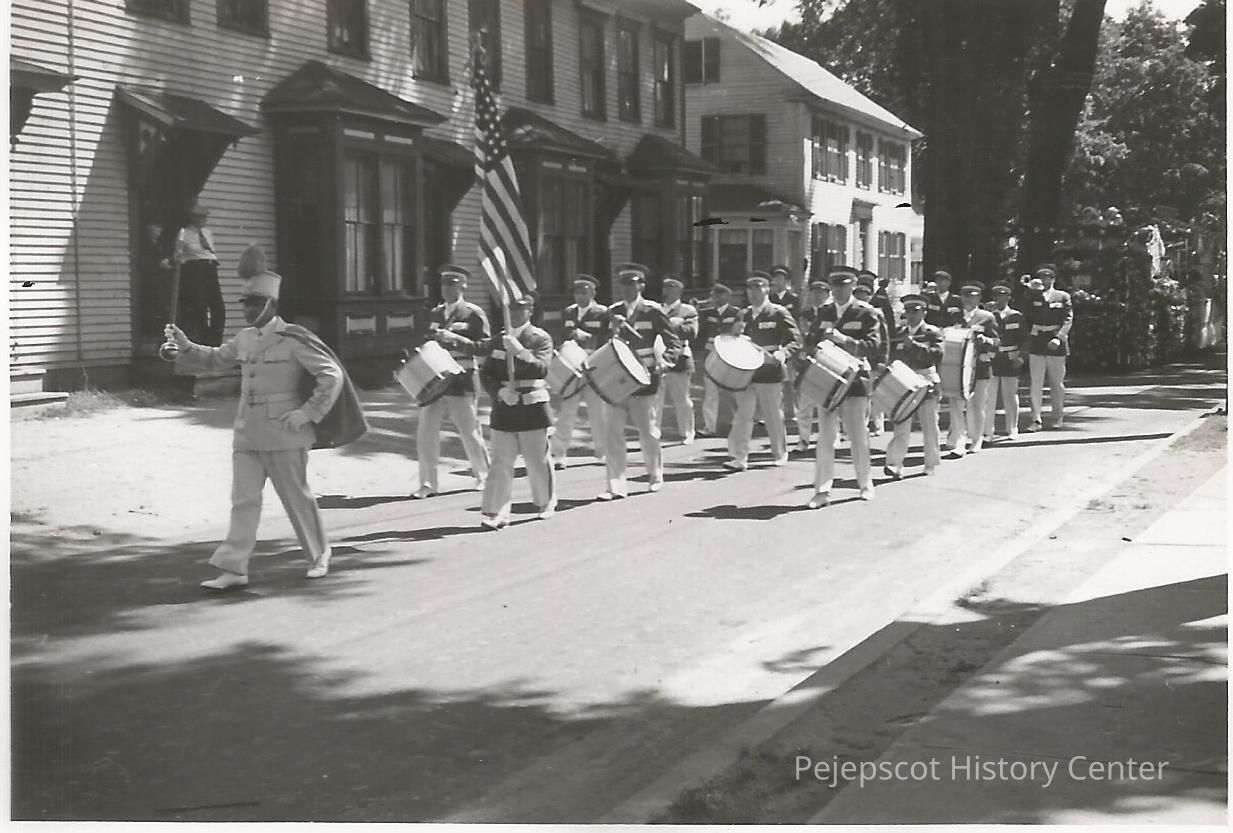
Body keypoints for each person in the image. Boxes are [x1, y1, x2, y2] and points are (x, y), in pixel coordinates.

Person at [163, 244, 342, 590]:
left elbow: (331, 375)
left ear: (271, 304)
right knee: (243, 501)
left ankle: (318, 554)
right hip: (248, 432)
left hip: (285, 430)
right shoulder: (244, 339)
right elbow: (214, 359)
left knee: (296, 498)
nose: (248, 310)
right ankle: (234, 568)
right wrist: (184, 345)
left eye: (255, 303)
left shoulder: (293, 338)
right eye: (245, 303)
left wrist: (307, 413)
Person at [466, 295, 556, 529]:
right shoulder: (499, 339)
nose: (515, 313)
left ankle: (545, 502)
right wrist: (499, 391)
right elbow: (486, 373)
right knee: (500, 462)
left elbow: (542, 369)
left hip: (532, 406)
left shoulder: (540, 338)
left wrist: (521, 352)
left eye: (520, 309)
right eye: (511, 308)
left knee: (536, 460)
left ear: (530, 311)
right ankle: (497, 512)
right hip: (505, 405)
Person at [599, 263, 682, 500]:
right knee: (612, 433)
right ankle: (615, 486)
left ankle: (655, 475)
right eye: (623, 284)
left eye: (632, 284)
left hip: (645, 378)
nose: (626, 289)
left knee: (648, 431)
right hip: (616, 379)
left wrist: (666, 361)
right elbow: (602, 344)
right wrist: (612, 330)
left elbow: (673, 341)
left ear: (641, 286)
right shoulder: (612, 311)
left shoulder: (652, 310)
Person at [410, 265, 491, 498]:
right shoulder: (436, 313)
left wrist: (455, 339)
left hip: (461, 378)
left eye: (452, 285)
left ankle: (483, 475)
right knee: (426, 432)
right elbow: (426, 339)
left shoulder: (472, 313)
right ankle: (428, 483)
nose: (446, 289)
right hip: (435, 378)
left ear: (463, 286)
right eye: (444, 285)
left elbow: (484, 346)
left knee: (469, 430)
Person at [807, 266, 882, 508]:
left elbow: (874, 345)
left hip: (855, 380)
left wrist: (845, 340)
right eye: (835, 286)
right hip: (826, 378)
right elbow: (810, 341)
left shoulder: (866, 313)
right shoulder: (824, 312)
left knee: (858, 435)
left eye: (844, 286)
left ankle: (865, 484)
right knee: (825, 438)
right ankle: (822, 491)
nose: (839, 291)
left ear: (853, 286)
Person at [725, 272, 801, 470]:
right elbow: (733, 341)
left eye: (758, 288)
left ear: (767, 290)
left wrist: (783, 353)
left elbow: (795, 340)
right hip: (746, 371)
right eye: (750, 289)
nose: (753, 293)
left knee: (772, 414)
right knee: (743, 415)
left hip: (769, 371)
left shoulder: (778, 312)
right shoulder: (743, 314)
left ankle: (779, 453)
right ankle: (739, 457)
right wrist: (734, 335)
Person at [548, 274, 609, 469]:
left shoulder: (602, 312)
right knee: (567, 411)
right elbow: (562, 334)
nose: (580, 296)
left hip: (594, 366)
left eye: (584, 292)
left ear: (593, 293)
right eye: (577, 292)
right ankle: (559, 453)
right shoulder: (569, 311)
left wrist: (589, 336)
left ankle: (603, 451)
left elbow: (607, 339)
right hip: (572, 367)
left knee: (597, 411)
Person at [883, 294, 943, 479]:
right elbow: (892, 355)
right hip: (904, 380)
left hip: (926, 379)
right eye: (908, 311)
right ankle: (895, 464)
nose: (911, 315)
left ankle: (930, 463)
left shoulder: (932, 332)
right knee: (901, 423)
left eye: (915, 312)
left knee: (929, 425)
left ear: (924, 312)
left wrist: (914, 345)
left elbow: (937, 355)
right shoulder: (899, 332)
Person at [945, 281, 1000, 457]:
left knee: (977, 405)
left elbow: (997, 342)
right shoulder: (953, 316)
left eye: (973, 297)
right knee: (956, 404)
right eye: (965, 296)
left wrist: (986, 340)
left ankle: (976, 439)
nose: (968, 300)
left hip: (980, 366)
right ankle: (959, 441)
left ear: (979, 298)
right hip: (957, 368)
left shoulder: (987, 317)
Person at [1024, 263, 1073, 431]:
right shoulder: (1033, 296)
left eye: (1047, 278)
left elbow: (1068, 319)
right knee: (1036, 383)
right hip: (1037, 341)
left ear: (1053, 279)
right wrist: (1031, 293)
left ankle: (1058, 417)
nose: (1043, 281)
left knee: (1056, 383)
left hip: (1055, 342)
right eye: (1041, 278)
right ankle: (1036, 419)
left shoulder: (1062, 296)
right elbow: (1025, 314)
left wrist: (1059, 338)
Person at [175, 203, 226, 346]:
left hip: (211, 268)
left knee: (219, 307)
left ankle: (215, 342)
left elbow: (210, 251)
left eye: (205, 217)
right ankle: (206, 341)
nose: (204, 220)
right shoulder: (183, 233)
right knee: (200, 307)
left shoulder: (207, 233)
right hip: (195, 270)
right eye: (201, 217)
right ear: (193, 218)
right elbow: (178, 254)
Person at [656, 277, 699, 444]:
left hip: (680, 357)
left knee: (682, 398)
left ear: (679, 291)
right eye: (665, 288)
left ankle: (687, 432)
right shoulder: (656, 309)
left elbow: (692, 332)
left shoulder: (687, 310)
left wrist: (672, 325)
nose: (667, 291)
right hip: (658, 356)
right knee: (656, 399)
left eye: (672, 288)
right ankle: (654, 432)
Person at [696, 283, 742, 437]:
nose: (714, 298)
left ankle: (735, 424)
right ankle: (710, 426)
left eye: (717, 295)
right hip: (711, 355)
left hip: (730, 357)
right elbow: (701, 334)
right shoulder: (707, 313)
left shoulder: (736, 313)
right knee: (710, 393)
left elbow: (738, 334)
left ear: (726, 296)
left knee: (731, 393)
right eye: (713, 295)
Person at [984, 281, 1027, 441]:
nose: (998, 299)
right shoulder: (988, 316)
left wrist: (1021, 357)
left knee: (1010, 396)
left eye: (1002, 296)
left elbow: (1024, 339)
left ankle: (1012, 428)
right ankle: (987, 431)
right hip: (993, 358)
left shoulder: (1016, 316)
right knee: (989, 397)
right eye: (996, 295)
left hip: (1010, 358)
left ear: (1008, 298)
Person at [794, 277, 831, 452]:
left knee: (827, 404)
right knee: (805, 404)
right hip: (808, 360)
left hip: (827, 360)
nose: (817, 296)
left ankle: (830, 438)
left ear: (827, 295)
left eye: (821, 293)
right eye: (815, 293)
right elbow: (801, 336)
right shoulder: (806, 313)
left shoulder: (831, 313)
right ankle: (803, 439)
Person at [855, 276, 892, 436]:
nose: (861, 299)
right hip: (858, 359)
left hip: (874, 359)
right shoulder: (853, 314)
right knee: (862, 394)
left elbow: (884, 339)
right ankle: (861, 425)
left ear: (869, 297)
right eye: (858, 296)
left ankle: (878, 424)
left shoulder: (876, 314)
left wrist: (883, 360)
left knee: (875, 394)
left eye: (864, 296)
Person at [769, 265, 800, 427]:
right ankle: (775, 410)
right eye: (776, 278)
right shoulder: (770, 299)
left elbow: (796, 322)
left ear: (786, 281)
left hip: (788, 343)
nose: (778, 281)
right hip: (774, 342)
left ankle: (791, 411)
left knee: (790, 380)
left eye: (781, 278)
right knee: (775, 380)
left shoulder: (793, 299)